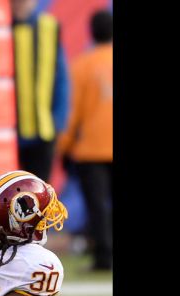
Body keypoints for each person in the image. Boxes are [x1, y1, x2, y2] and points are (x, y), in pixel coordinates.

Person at [57, 10, 113, 271]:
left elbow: (72, 112)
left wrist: (63, 147)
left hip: (92, 149)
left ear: (91, 32)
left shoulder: (82, 65)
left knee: (97, 206)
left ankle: (103, 258)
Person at [10, 0, 70, 182]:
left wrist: (58, 119)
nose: (20, 5)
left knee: (40, 194)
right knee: (3, 194)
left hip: (42, 130)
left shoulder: (48, 27)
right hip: (8, 132)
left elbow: (61, 77)